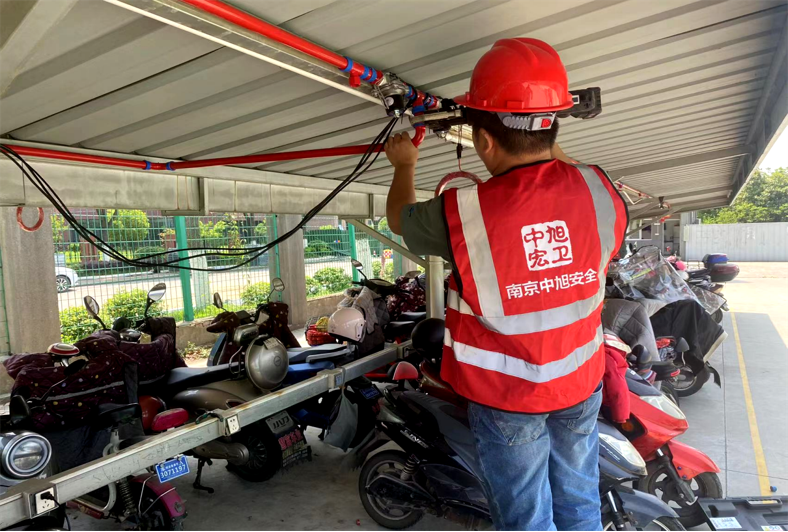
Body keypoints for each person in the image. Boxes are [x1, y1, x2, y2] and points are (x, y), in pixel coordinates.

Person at [384, 38, 629, 531]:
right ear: (553, 122)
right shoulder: (601, 190)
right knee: (580, 501)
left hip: (509, 398)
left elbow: (399, 218)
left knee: (525, 518)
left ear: (484, 143)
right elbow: (559, 162)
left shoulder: (463, 213)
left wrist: (404, 165)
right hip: (581, 384)